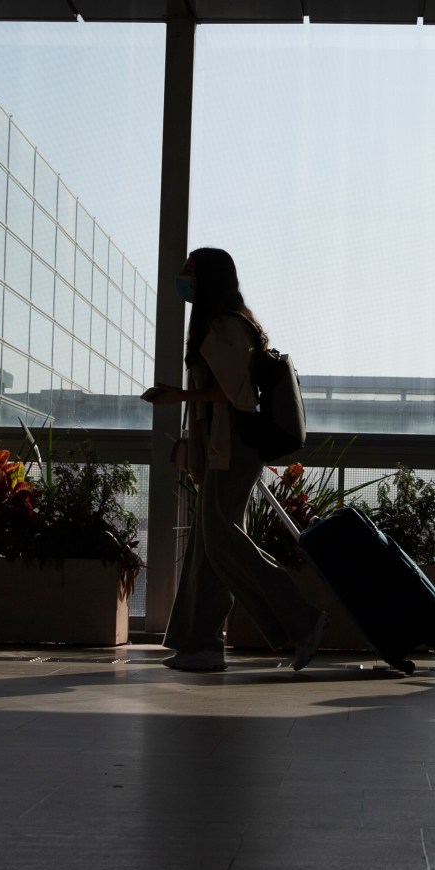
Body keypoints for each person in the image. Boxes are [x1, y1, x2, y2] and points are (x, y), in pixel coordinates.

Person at [142, 246, 327, 673]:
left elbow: (237, 395)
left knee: (222, 539)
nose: (182, 274)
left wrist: (179, 396)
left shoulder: (225, 326)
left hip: (235, 450)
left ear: (207, 276)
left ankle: (303, 620)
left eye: (190, 268)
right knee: (208, 546)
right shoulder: (221, 324)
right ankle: (200, 644)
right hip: (222, 450)